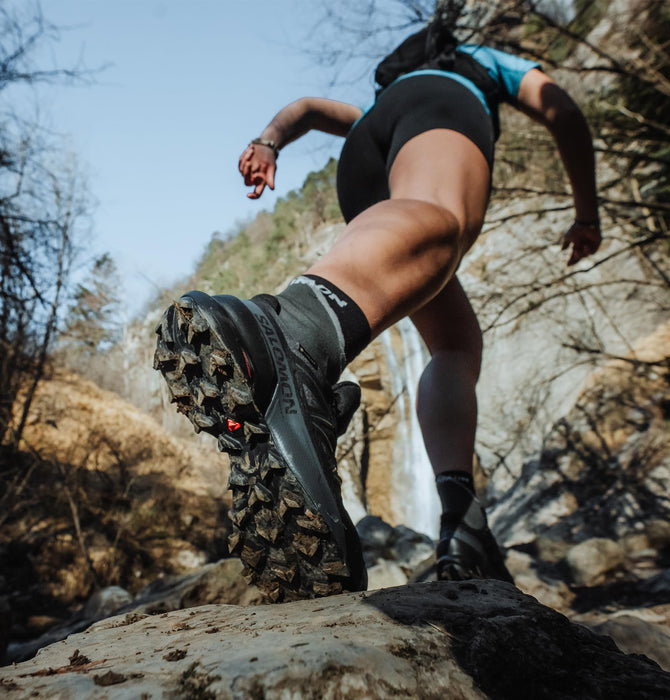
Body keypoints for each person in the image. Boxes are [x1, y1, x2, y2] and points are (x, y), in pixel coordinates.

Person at [154, 18, 601, 601]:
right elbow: (562, 111)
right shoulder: (474, 64)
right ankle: (291, 331)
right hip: (441, 119)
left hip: (367, 168)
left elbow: (312, 109)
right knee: (444, 222)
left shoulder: (384, 99)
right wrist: (587, 214)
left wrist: (268, 142)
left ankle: (462, 518)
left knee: (457, 343)